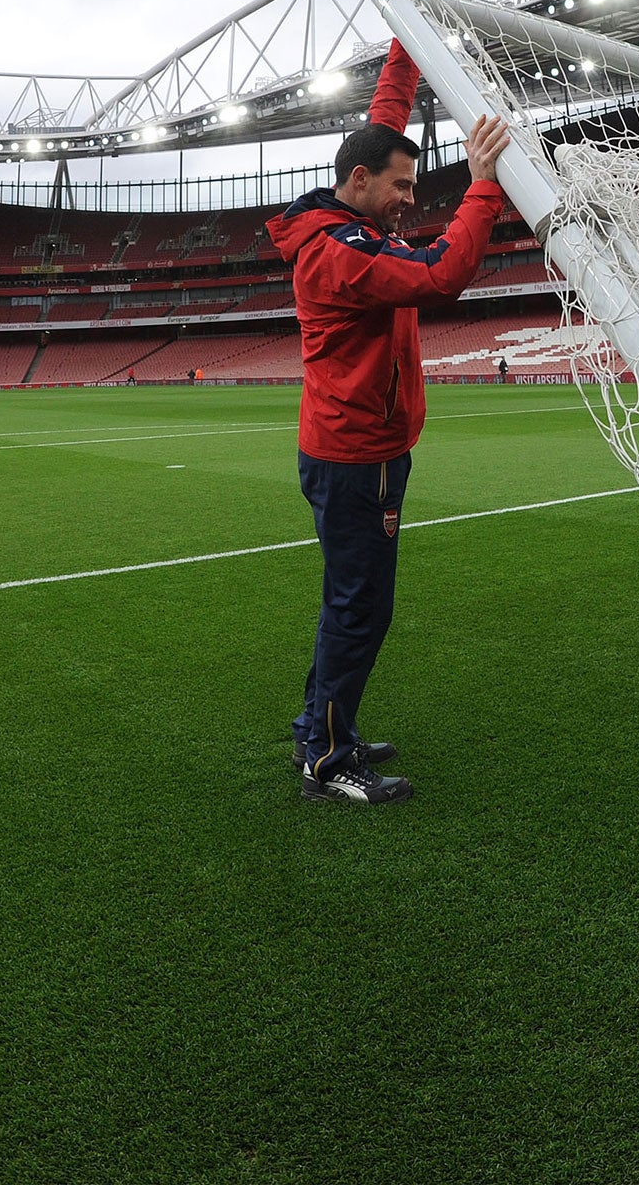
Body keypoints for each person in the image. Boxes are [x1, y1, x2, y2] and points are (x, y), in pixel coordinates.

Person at [266, 40, 511, 805]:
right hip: (356, 458)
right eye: (401, 187)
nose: (411, 197)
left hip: (353, 448)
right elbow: (442, 275)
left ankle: (323, 731)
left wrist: (409, 43)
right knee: (360, 608)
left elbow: (386, 118)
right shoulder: (340, 252)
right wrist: (481, 186)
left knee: (351, 599)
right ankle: (328, 762)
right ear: (359, 180)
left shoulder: (349, 211)